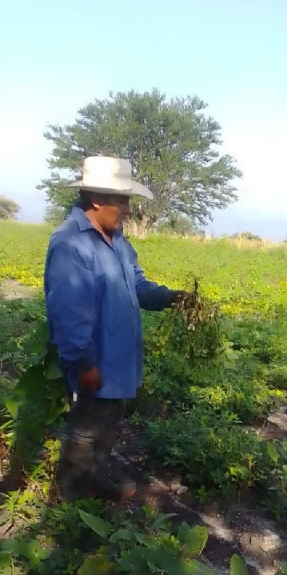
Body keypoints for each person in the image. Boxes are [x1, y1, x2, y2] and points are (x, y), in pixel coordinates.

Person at [44, 155, 187, 502]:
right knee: (86, 427)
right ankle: (73, 498)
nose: (127, 209)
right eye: (122, 200)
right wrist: (85, 363)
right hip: (96, 361)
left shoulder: (118, 240)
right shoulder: (70, 244)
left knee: (109, 422)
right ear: (97, 200)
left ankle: (94, 480)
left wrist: (170, 297)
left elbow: (137, 285)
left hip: (120, 358)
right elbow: (67, 312)